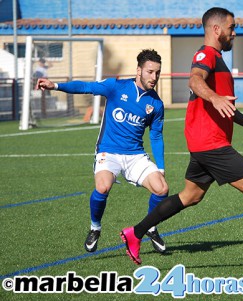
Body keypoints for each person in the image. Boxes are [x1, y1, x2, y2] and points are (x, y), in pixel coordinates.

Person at [120, 8, 243, 276]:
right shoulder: (206, 54)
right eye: (232, 27)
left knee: (190, 196)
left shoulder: (217, 58)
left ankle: (135, 233)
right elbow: (195, 80)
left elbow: (225, 106)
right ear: (217, 29)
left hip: (203, 142)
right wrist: (214, 97)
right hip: (210, 143)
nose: (234, 32)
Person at [36, 49, 169, 254]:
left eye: (157, 73)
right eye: (150, 72)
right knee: (103, 187)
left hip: (135, 155)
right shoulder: (116, 86)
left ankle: (151, 227)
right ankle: (95, 228)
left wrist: (160, 167)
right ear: (138, 71)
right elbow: (86, 87)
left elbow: (156, 136)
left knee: (162, 189)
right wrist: (56, 85)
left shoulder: (156, 104)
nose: (154, 77)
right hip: (109, 151)